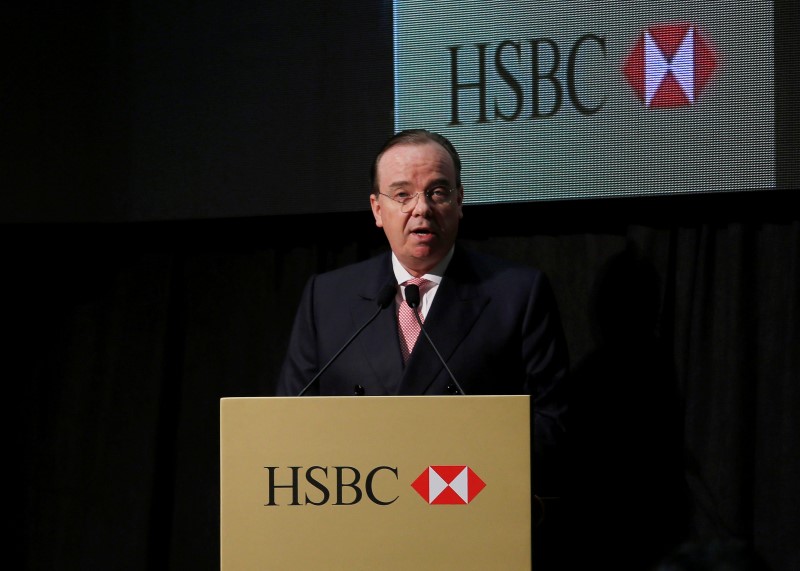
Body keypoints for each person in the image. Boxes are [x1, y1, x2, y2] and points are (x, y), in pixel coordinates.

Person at [276, 128, 568, 493]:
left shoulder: (516, 294)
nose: (422, 208)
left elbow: (551, 421)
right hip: (358, 510)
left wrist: (464, 482)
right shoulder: (327, 297)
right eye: (402, 195)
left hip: (469, 509)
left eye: (438, 192)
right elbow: (288, 423)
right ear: (377, 209)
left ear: (459, 203)